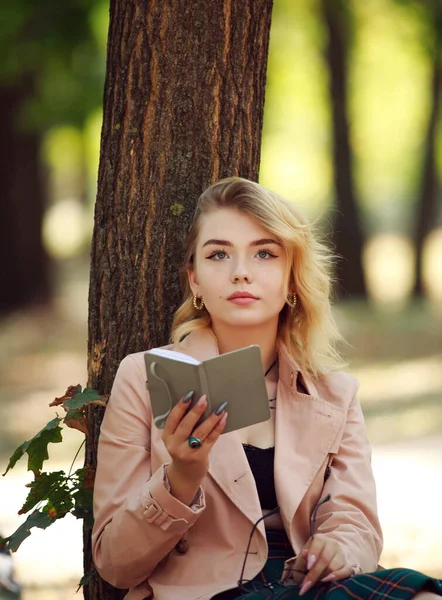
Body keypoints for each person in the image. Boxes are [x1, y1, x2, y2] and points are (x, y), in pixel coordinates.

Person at [91, 178, 442, 600]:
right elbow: (114, 562)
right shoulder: (146, 379)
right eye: (218, 254)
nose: (241, 271)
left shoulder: (334, 393)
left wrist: (338, 548)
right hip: (208, 591)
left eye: (264, 253)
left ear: (292, 280)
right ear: (195, 280)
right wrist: (180, 480)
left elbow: (355, 521)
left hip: (309, 583)